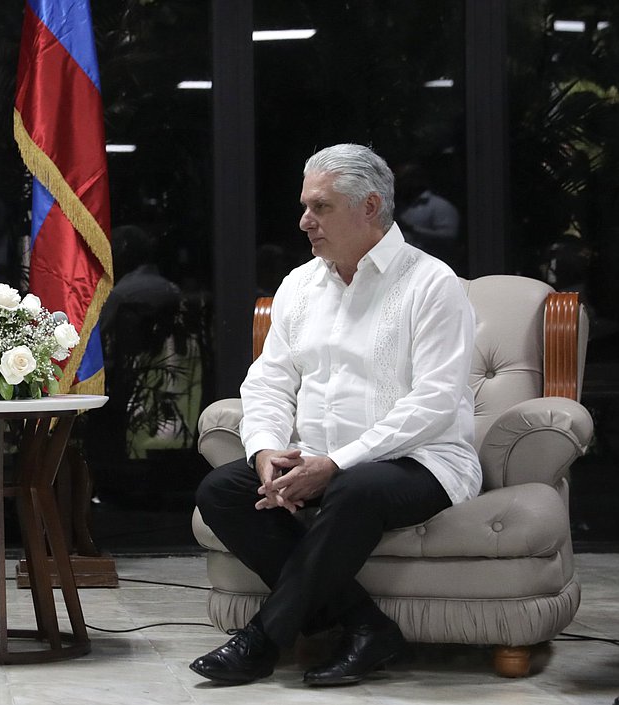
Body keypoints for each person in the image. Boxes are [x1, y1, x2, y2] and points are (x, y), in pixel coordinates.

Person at [191, 144, 481, 687]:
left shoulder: (432, 283)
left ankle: (262, 640)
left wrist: (337, 462)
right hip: (318, 461)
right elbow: (269, 380)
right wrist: (266, 450)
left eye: (320, 207)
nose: (305, 222)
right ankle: (367, 626)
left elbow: (435, 401)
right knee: (221, 491)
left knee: (354, 489)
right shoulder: (300, 285)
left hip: (422, 461)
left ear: (369, 206)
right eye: (305, 207)